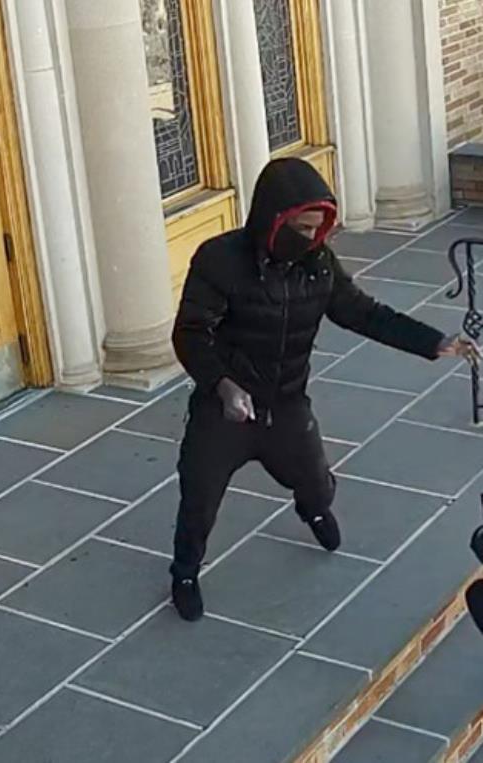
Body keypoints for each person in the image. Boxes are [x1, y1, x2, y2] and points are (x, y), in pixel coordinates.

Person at [169, 158, 479, 622]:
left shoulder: (318, 264)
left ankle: (312, 512)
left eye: (318, 228)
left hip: (287, 403)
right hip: (225, 408)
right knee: (199, 496)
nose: (311, 237)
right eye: (301, 226)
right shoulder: (219, 259)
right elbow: (190, 332)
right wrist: (222, 385)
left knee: (316, 481)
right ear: (273, 218)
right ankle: (185, 573)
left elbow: (364, 313)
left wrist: (436, 343)